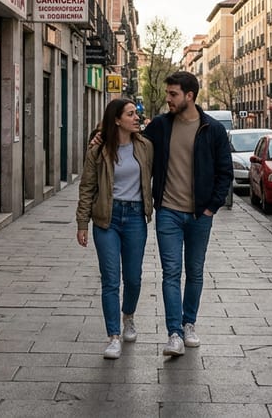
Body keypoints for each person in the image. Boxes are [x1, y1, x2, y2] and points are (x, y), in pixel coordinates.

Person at [143, 71, 232, 357]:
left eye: (173, 94)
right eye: (167, 93)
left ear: (189, 96)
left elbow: (225, 172)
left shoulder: (213, 129)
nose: (168, 99)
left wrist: (210, 208)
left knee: (194, 272)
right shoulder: (159, 126)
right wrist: (99, 139)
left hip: (198, 215)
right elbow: (132, 143)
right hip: (168, 211)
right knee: (171, 272)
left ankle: (189, 322)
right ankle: (174, 334)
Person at [75, 99, 153, 360]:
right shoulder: (98, 151)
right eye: (131, 114)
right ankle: (113, 336)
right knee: (110, 279)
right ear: (117, 119)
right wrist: (82, 223)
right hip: (106, 220)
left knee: (133, 278)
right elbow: (86, 188)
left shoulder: (145, 147)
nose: (136, 118)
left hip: (134, 219)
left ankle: (128, 315)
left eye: (136, 114)